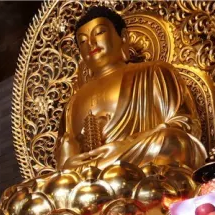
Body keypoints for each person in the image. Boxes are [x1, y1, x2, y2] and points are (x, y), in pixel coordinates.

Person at [54, 6, 206, 172]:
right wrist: (67, 164)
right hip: (87, 177)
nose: (91, 43)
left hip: (141, 165)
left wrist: (123, 146)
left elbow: (185, 124)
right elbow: (64, 160)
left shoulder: (154, 71)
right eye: (82, 41)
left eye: (99, 33)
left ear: (123, 37)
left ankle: (102, 172)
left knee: (173, 140)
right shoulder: (73, 103)